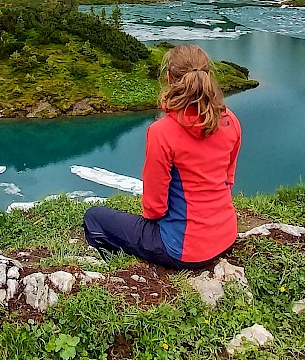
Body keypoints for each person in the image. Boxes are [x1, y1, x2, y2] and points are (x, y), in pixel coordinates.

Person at [83, 44, 243, 270]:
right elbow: (228, 181)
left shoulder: (162, 132)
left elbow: (154, 208)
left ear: (169, 78)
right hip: (226, 235)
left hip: (182, 249)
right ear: (208, 76)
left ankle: (117, 266)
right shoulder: (230, 121)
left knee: (94, 217)